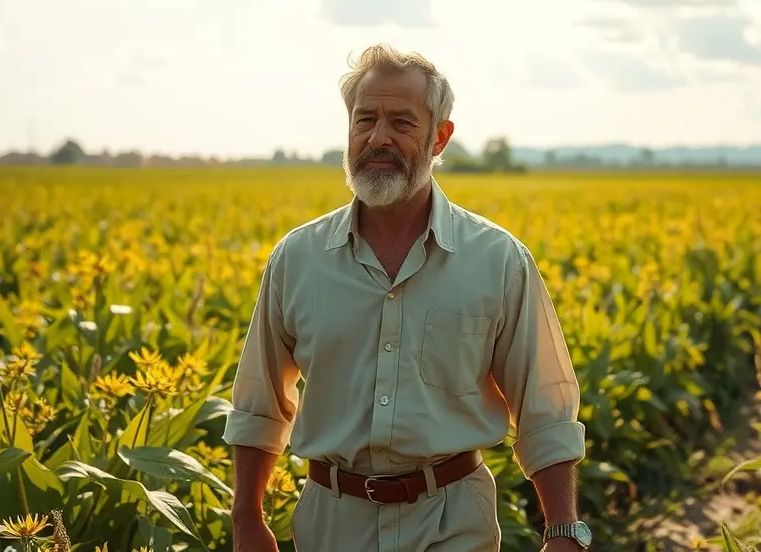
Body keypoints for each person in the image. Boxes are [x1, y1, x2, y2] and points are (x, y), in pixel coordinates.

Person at [224, 44, 592, 551]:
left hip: (453, 520)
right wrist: (246, 517)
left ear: (440, 136)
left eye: (402, 122)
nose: (379, 137)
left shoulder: (497, 261)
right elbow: (259, 403)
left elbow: (544, 407)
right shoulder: (297, 259)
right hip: (330, 526)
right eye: (365, 119)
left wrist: (563, 531)